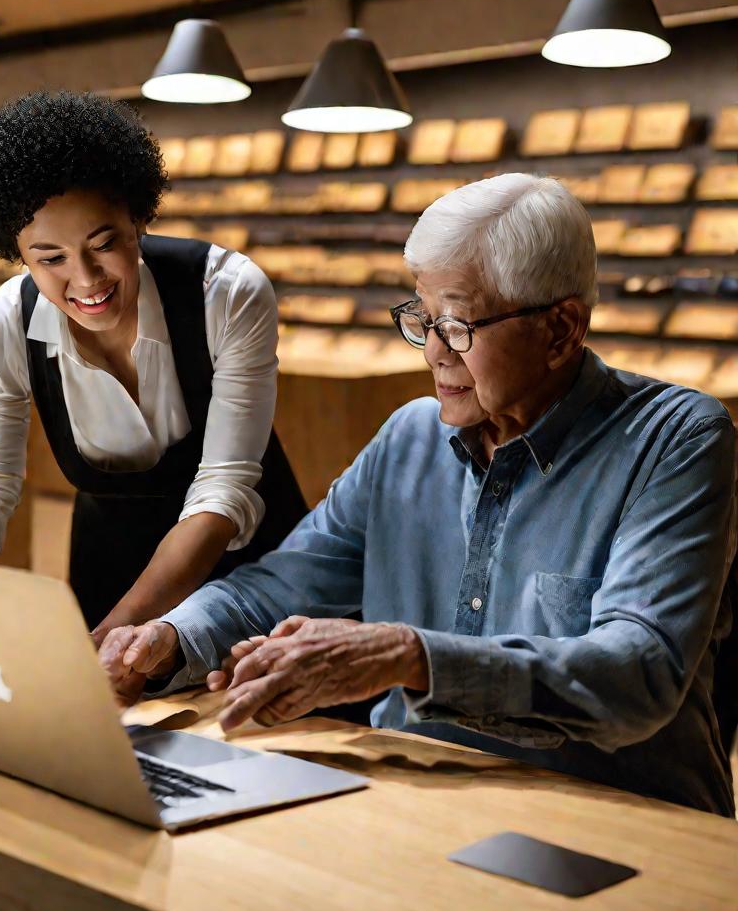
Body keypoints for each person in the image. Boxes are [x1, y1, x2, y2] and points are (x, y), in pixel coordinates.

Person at [100, 174, 737, 817]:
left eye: (458, 325)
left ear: (561, 330)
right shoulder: (409, 435)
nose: (433, 352)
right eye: (422, 319)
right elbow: (276, 585)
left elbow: (637, 672)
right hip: (417, 795)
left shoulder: (677, 439)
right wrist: (168, 637)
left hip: (620, 818)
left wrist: (408, 657)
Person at [0, 90, 307, 635]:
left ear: (138, 220)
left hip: (246, 572)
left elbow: (222, 492)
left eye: (103, 244)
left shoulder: (225, 293)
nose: (85, 280)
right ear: (17, 254)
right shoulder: (2, 325)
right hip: (107, 565)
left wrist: (112, 637)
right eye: (50, 258)